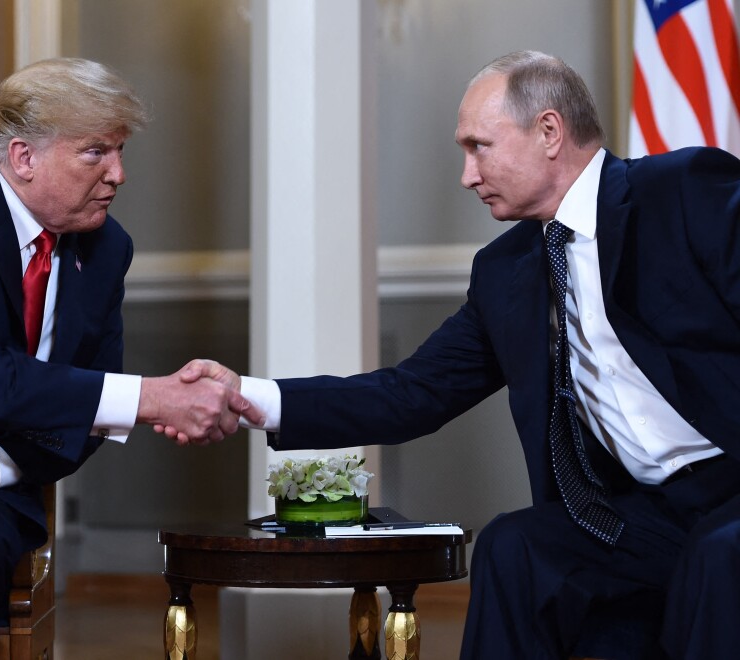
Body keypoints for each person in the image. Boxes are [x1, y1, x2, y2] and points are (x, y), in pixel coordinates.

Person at [177, 50, 740, 659]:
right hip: (643, 513)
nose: (467, 175)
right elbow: (411, 394)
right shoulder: (506, 271)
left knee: (718, 555)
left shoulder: (684, 191)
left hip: (732, 490)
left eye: (479, 147)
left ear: (549, 132)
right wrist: (248, 395)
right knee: (514, 545)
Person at [0, 57, 259, 659]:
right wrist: (153, 397)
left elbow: (90, 410)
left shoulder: (105, 248)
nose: (118, 174)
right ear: (23, 157)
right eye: (96, 153)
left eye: (121, 151)